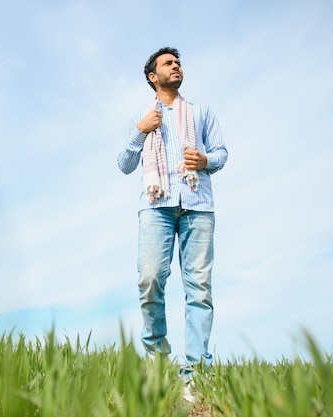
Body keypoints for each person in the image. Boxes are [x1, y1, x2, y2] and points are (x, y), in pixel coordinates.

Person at [117, 47, 228, 390]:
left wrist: (204, 159)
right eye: (168, 63)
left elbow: (222, 154)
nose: (176, 66)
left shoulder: (201, 112)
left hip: (198, 205)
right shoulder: (142, 114)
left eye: (178, 62)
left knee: (199, 290)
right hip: (156, 206)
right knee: (149, 280)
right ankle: (157, 359)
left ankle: (195, 374)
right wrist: (140, 131)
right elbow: (124, 164)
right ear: (153, 76)